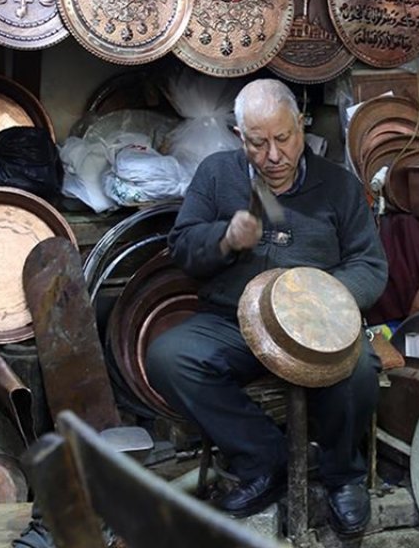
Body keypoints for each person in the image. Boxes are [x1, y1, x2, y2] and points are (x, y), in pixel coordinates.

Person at [146, 79, 387, 536]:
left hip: (317, 324)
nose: (273, 156)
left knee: (356, 370)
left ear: (302, 125)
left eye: (284, 138)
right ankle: (264, 458)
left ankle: (342, 476)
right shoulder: (218, 175)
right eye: (258, 143)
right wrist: (225, 239)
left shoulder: (339, 186)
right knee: (169, 357)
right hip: (234, 320)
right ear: (241, 136)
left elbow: (369, 265)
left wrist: (324, 301)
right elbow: (181, 247)